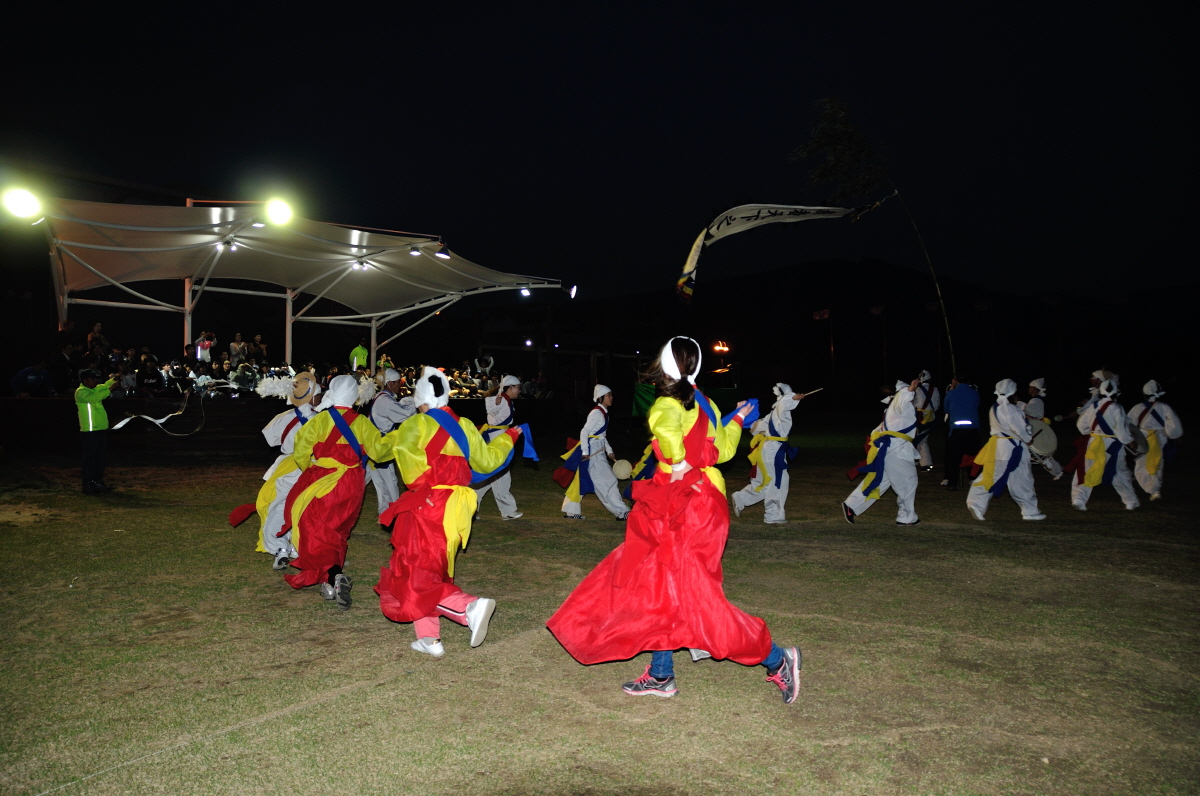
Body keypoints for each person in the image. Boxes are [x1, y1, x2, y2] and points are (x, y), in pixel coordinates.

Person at [547, 337, 801, 704]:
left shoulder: (669, 402)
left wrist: (679, 460)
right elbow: (724, 450)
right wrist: (739, 420)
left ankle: (778, 659)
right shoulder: (708, 404)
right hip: (698, 500)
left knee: (697, 600)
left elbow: (666, 431)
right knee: (661, 585)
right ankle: (662, 673)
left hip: (686, 503)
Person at [374, 367, 520, 656]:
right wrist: (508, 438)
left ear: (420, 399)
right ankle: (429, 638)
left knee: (415, 569)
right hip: (461, 506)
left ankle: (467, 608)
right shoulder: (464, 424)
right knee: (430, 568)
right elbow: (488, 461)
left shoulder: (416, 425)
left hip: (431, 504)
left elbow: (407, 470)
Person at [281, 375, 394, 609]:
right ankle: (330, 583)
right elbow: (380, 453)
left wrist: (312, 469)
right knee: (338, 531)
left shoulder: (319, 420)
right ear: (354, 396)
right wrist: (397, 439)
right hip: (352, 483)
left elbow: (301, 451)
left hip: (325, 481)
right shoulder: (363, 423)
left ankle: (333, 576)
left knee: (315, 530)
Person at [235, 374, 323, 569]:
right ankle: (297, 546)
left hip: (286, 466)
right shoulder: (322, 419)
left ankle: (278, 546)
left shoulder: (282, 418)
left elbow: (271, 439)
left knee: (277, 506)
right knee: (305, 507)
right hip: (311, 465)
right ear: (313, 397)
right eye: (319, 394)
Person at [843, 379, 922, 526]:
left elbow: (878, 431)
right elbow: (904, 396)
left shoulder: (892, 409)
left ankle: (852, 505)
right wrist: (910, 389)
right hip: (897, 450)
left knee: (881, 482)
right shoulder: (901, 402)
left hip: (891, 449)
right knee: (907, 482)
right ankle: (906, 517)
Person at [966, 379, 1046, 521]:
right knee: (1022, 481)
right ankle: (1030, 511)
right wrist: (1029, 438)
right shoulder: (1012, 410)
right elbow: (1020, 429)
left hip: (998, 449)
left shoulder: (995, 407)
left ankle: (975, 503)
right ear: (1013, 392)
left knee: (989, 477)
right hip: (1014, 449)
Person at [732, 383, 803, 524]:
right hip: (773, 450)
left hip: (768, 449)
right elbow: (785, 403)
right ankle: (773, 515)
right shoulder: (780, 411)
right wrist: (793, 397)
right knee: (778, 481)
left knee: (764, 481)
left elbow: (755, 428)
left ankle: (741, 498)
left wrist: (792, 397)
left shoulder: (773, 414)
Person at [560, 384, 629, 520]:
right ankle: (622, 512)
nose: (611, 398)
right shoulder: (597, 413)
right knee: (608, 482)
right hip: (594, 453)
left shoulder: (603, 412)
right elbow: (585, 432)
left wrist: (609, 451)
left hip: (597, 450)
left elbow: (600, 435)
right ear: (601, 397)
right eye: (609, 395)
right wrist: (585, 451)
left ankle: (572, 512)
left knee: (581, 481)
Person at [1071, 378, 1138, 511]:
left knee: (1086, 469)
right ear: (1116, 392)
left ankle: (1079, 499)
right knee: (1119, 472)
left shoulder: (1092, 406)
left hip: (1094, 442)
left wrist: (1091, 433)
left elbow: (1081, 425)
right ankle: (1130, 501)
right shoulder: (1117, 408)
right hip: (1112, 445)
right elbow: (1121, 429)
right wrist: (1130, 442)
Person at [472, 375, 526, 519]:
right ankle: (508, 511)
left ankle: (470, 507)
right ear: (511, 387)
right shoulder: (501, 399)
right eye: (518, 387)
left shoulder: (506, 400)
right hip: (497, 438)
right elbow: (491, 406)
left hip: (500, 436)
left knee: (489, 475)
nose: (520, 390)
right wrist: (496, 402)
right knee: (501, 474)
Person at [367, 368, 417, 522]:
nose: (399, 385)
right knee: (390, 481)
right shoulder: (385, 400)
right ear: (390, 383)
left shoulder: (382, 397)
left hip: (374, 446)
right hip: (381, 447)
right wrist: (415, 399)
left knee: (379, 482)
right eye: (397, 382)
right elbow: (404, 414)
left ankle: (385, 513)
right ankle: (396, 515)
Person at [1130, 380, 1184, 501]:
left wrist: (1130, 438)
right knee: (1157, 462)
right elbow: (1174, 426)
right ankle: (1155, 490)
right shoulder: (1165, 407)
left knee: (1141, 464)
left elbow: (1129, 424)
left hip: (1142, 437)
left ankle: (1151, 488)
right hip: (1160, 437)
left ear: (1144, 394)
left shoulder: (1137, 408)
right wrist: (1175, 435)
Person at [76, 368, 116, 494]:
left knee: (100, 459)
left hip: (100, 429)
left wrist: (112, 380)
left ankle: (97, 481)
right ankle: (87, 484)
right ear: (85, 380)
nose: (95, 381)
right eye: (92, 379)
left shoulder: (92, 389)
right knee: (90, 459)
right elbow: (95, 397)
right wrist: (110, 389)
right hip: (89, 431)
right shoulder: (81, 392)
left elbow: (102, 386)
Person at [941, 376, 982, 490]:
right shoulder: (974, 393)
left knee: (954, 457)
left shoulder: (952, 393)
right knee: (974, 455)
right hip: (973, 429)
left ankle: (953, 482)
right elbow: (977, 405)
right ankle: (974, 478)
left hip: (957, 429)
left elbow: (946, 409)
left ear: (956, 381)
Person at [1022, 378, 1063, 479]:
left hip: (1034, 429)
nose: (1029, 389)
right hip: (1034, 428)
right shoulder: (1036, 400)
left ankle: (1057, 471)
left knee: (1038, 455)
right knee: (1038, 455)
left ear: (1034, 389)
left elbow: (1025, 411)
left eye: (1030, 387)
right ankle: (1057, 470)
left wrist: (1018, 405)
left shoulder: (1036, 400)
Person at [913, 370, 941, 471]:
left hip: (918, 416)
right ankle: (923, 463)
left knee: (916, 439)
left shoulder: (917, 389)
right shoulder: (935, 389)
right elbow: (937, 405)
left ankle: (919, 462)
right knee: (922, 440)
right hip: (930, 417)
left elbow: (913, 403)